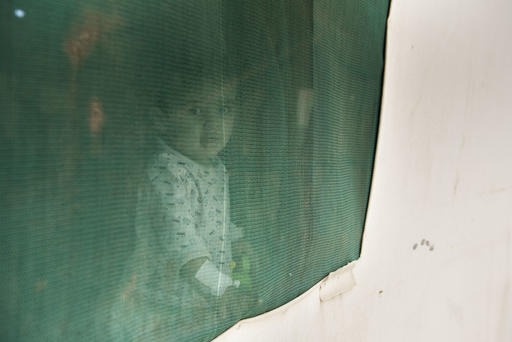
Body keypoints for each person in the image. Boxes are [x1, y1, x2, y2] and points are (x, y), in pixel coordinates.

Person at [108, 74, 255, 341]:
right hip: (164, 304)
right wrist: (223, 288)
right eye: (195, 110)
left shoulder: (214, 165)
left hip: (200, 297)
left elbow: (213, 216)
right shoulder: (168, 171)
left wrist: (236, 239)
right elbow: (183, 246)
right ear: (161, 119)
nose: (213, 124)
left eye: (223, 109)